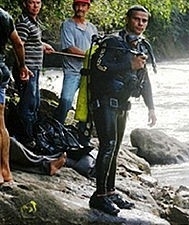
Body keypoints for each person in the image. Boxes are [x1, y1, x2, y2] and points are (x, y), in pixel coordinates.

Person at [88, 5, 157, 215]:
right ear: (128, 19)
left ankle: (109, 191)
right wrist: (129, 64)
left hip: (122, 104)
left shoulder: (142, 46)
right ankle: (98, 196)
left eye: (144, 21)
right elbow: (98, 67)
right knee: (107, 146)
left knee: (115, 149)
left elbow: (144, 80)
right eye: (137, 19)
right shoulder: (112, 42)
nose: (140, 24)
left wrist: (151, 107)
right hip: (104, 101)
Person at [54, 0, 97, 146]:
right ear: (74, 7)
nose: (80, 8)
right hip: (72, 71)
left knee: (87, 105)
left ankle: (83, 136)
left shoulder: (92, 28)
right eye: (78, 5)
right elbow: (70, 48)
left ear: (88, 8)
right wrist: (90, 55)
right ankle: (55, 130)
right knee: (66, 100)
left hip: (88, 73)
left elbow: (96, 48)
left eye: (83, 6)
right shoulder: (67, 25)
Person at [14, 0, 55, 148]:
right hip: (27, 70)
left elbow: (31, 41)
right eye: (32, 2)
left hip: (35, 69)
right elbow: (18, 45)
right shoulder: (24, 22)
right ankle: (25, 139)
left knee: (35, 103)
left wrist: (42, 45)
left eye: (38, 2)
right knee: (28, 105)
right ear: (25, 3)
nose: (35, 6)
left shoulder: (34, 22)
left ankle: (31, 135)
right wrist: (22, 67)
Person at [0, 7, 32, 184]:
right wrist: (22, 66)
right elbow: (18, 43)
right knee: (0, 123)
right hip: (1, 71)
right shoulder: (4, 16)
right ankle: (5, 171)